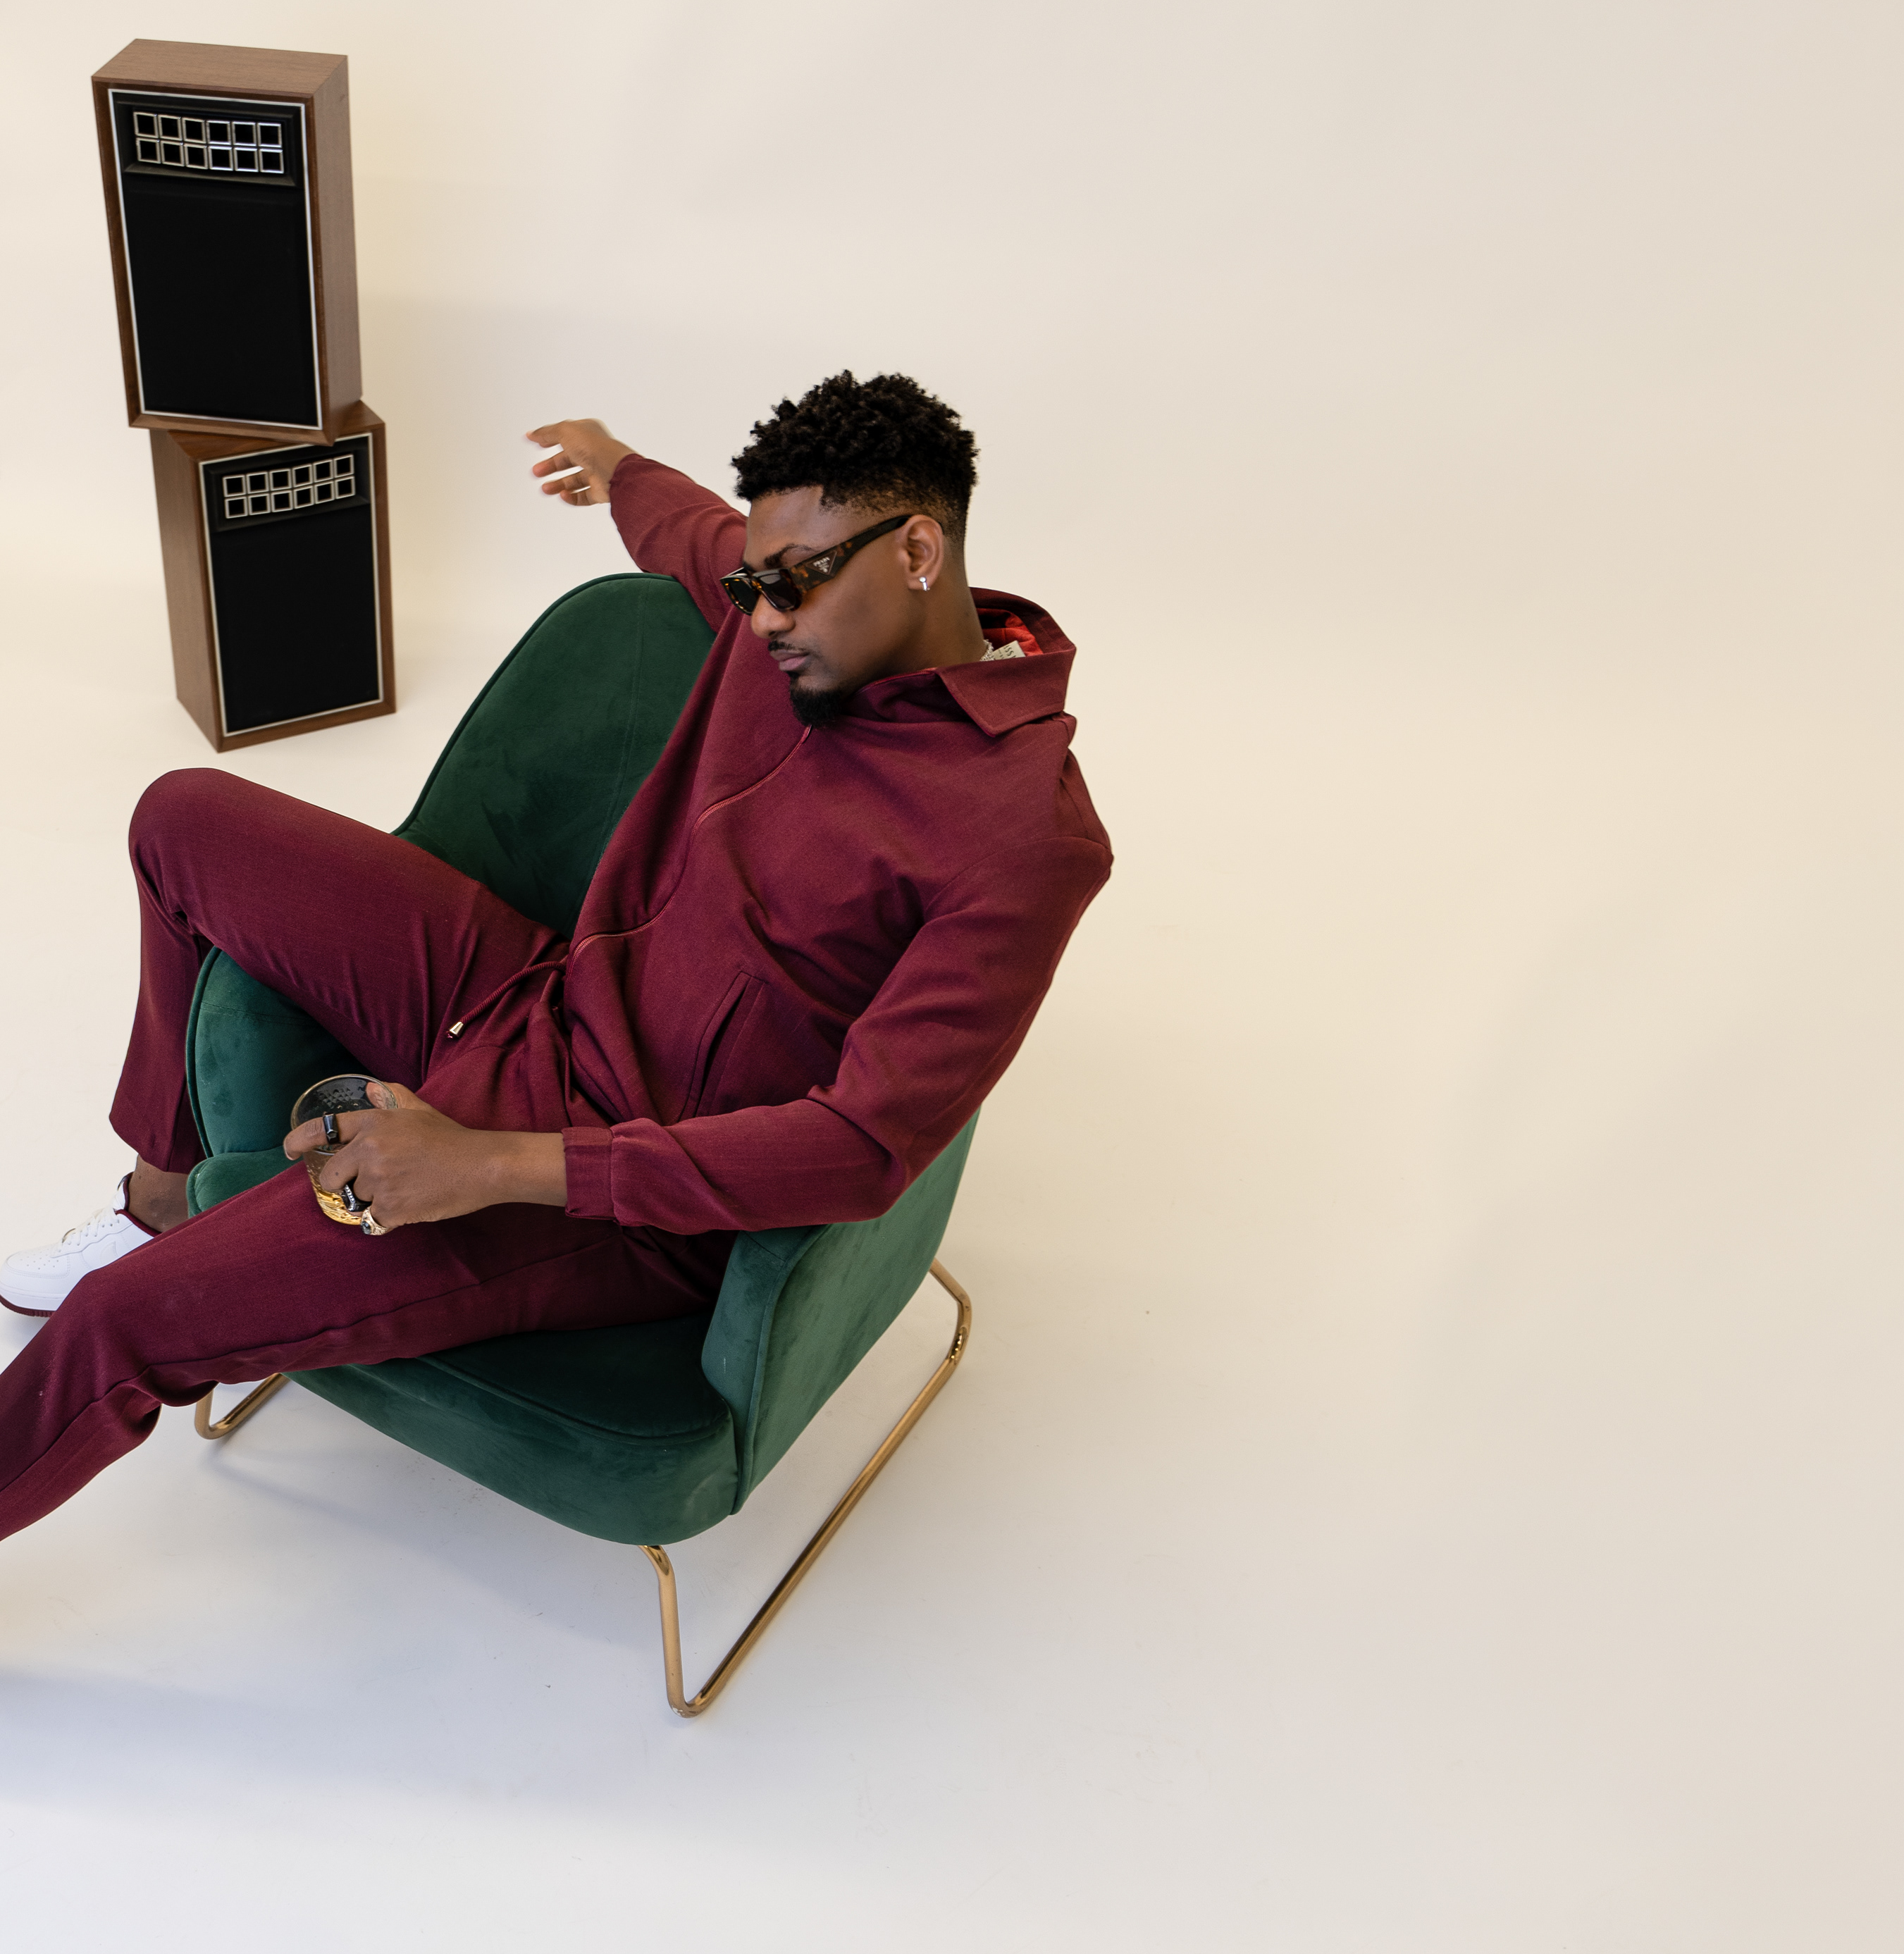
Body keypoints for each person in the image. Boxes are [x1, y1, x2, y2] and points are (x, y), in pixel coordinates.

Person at [0, 370, 1109, 1542]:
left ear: (920, 550)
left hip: (613, 1193)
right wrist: (617, 465)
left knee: (123, 1319)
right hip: (532, 990)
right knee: (180, 819)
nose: (762, 617)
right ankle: (160, 1194)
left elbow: (861, 1150)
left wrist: (485, 1164)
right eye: (754, 585)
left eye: (791, 583)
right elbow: (695, 534)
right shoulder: (802, 615)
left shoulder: (1021, 838)